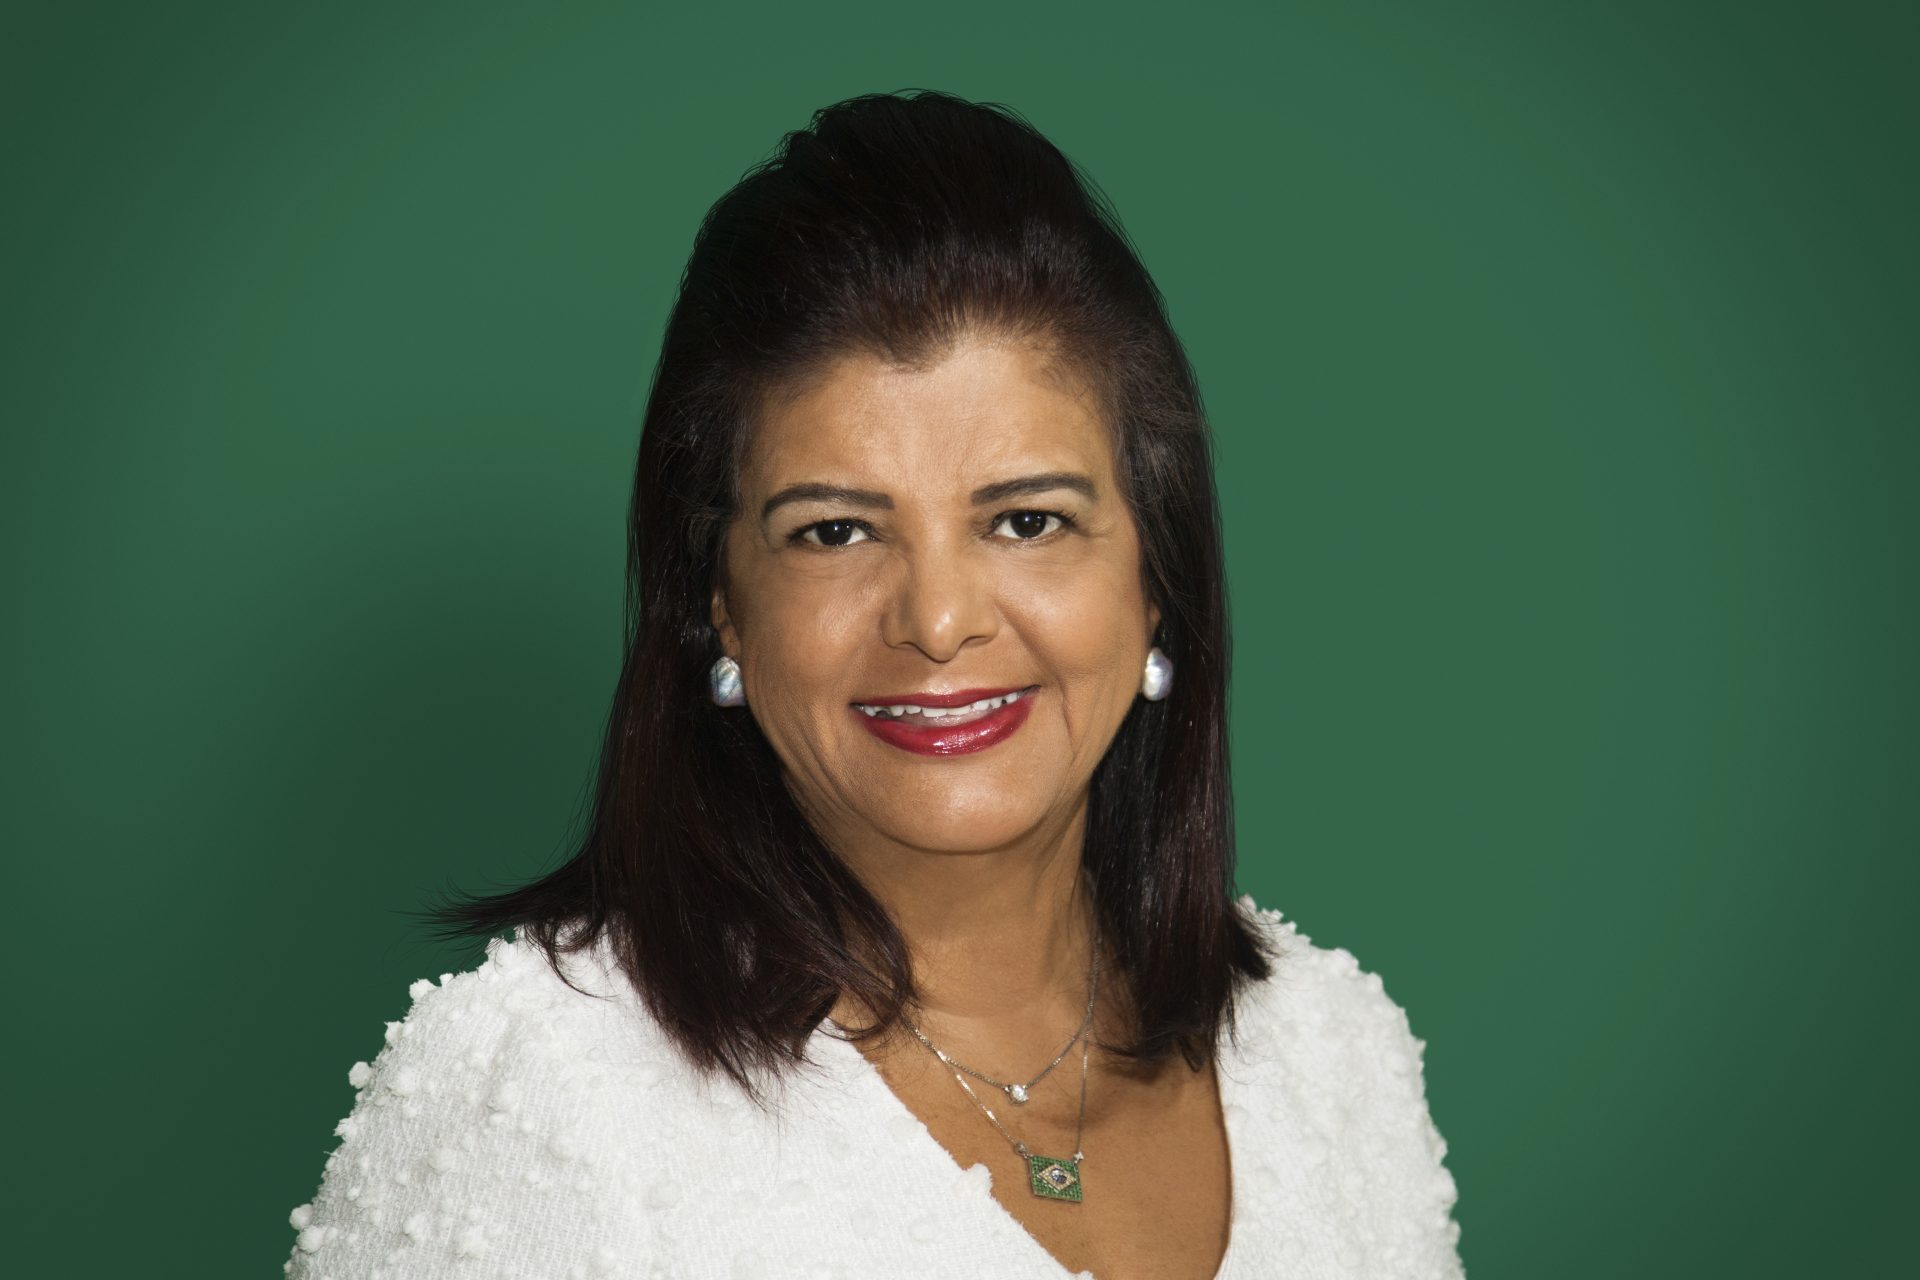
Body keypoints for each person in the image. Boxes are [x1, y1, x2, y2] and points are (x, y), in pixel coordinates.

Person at [283, 89, 1466, 1280]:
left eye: (1027, 519)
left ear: (1155, 576)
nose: (940, 622)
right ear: (721, 601)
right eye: (835, 531)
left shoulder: (1334, 1055)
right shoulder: (537, 1090)